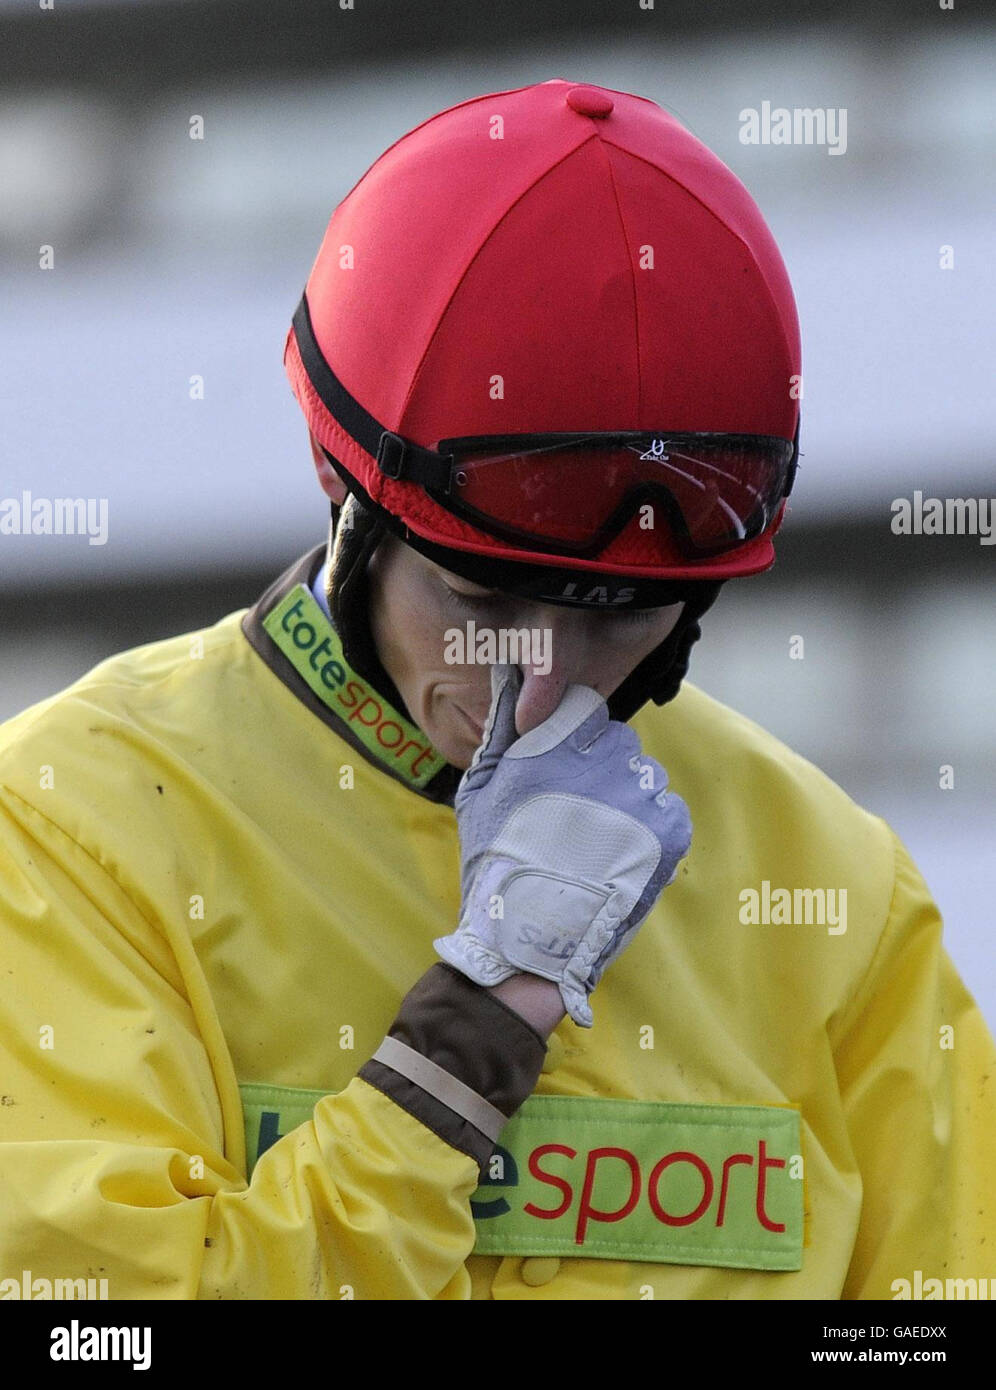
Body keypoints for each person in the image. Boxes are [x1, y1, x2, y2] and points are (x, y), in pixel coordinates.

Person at [0, 78, 993, 1303]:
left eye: (621, 613)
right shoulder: (67, 829)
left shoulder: (837, 886)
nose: (540, 687)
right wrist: (466, 1041)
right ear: (351, 506)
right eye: (479, 604)